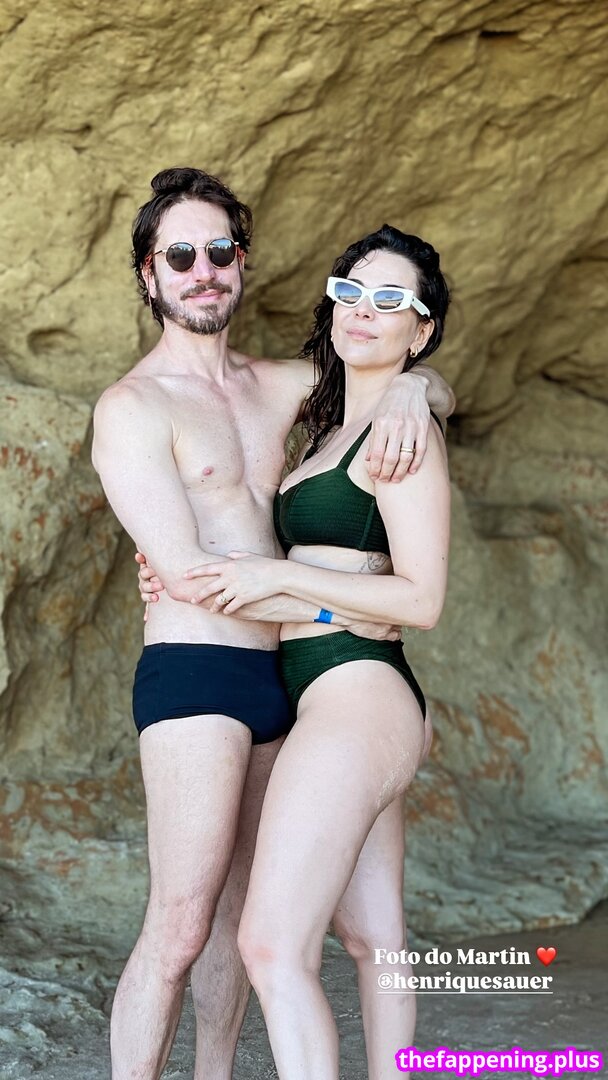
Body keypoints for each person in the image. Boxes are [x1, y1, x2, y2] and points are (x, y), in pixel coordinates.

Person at [92, 166, 454, 1080]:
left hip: (295, 677)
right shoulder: (132, 407)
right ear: (149, 273)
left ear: (242, 261)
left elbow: (384, 372)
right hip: (202, 666)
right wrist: (334, 596)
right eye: (180, 255)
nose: (202, 270)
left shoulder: (288, 384)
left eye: (219, 250)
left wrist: (419, 391)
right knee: (181, 923)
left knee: (242, 920)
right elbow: (187, 574)